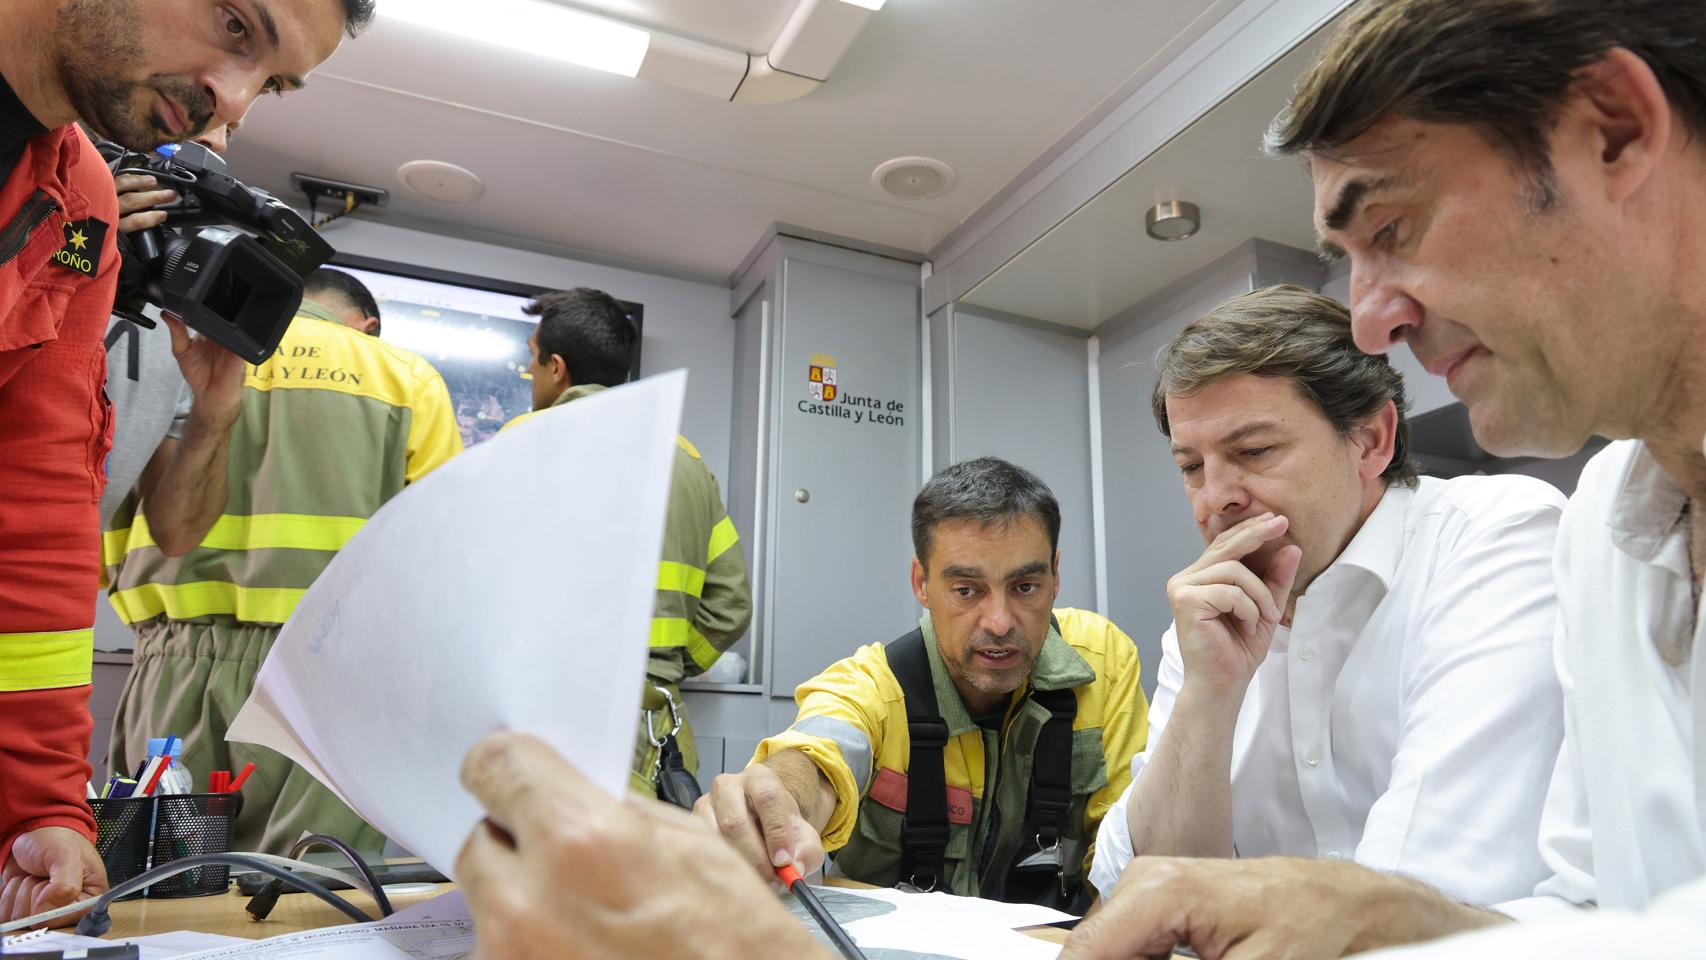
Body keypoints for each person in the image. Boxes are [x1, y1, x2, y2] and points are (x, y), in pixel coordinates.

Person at [1066, 0, 1706, 956]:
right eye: (1191, 465)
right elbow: (1590, 910)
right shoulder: (1607, 529)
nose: (1372, 324)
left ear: (1612, 130)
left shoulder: (1511, 535)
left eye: (1393, 226)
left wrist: (1374, 919)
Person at [0, 0, 372, 925]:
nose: (232, 103)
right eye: (237, 24)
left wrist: (42, 807)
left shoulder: (80, 205)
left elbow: (40, 518)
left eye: (272, 83)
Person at [1089, 285, 1563, 907]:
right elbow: (1146, 890)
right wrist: (1208, 695)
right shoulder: (1207, 616)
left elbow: (1428, 895)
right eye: (1191, 467)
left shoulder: (1494, 537)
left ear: (1370, 441)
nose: (1215, 498)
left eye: (1254, 451)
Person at [102, 271, 462, 855]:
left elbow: (95, 511)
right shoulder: (405, 378)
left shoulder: (180, 352)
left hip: (170, 669)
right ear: (366, 325)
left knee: (155, 883)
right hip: (326, 682)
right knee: (309, 892)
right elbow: (437, 560)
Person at [699, 457, 1148, 908]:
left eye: (1025, 586)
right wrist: (775, 799)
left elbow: (1132, 856)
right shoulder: (874, 688)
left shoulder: (1101, 663)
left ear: (1055, 575)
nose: (998, 622)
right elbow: (818, 756)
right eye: (966, 590)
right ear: (921, 582)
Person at [504, 287, 752, 803]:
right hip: (657, 732)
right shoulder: (687, 460)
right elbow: (732, 604)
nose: (529, 372)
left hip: (550, 726)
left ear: (556, 367)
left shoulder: (521, 441)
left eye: (532, 358)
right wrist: (666, 667)